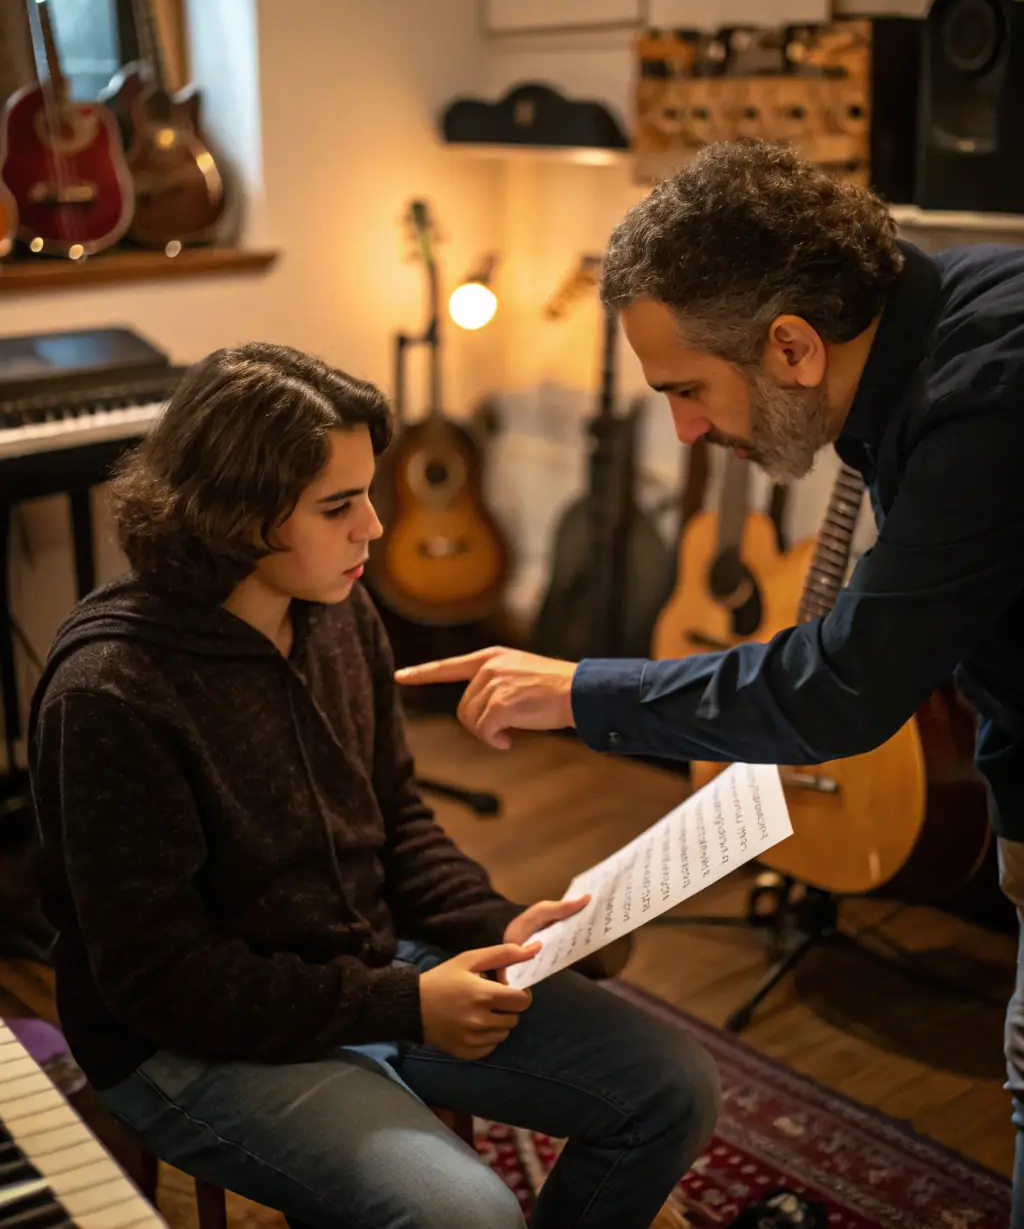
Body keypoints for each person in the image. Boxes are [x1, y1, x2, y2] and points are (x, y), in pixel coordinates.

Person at [394, 141, 1024, 1221]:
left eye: (686, 390)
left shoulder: (988, 395)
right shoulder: (933, 314)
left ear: (790, 344)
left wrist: (581, 691)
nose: (683, 430)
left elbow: (843, 686)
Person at [27, 343, 719, 1229]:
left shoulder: (340, 606)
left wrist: (496, 921)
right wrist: (405, 1004)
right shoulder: (111, 691)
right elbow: (158, 979)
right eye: (339, 504)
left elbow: (394, 815)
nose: (376, 526)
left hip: (361, 967)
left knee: (671, 1084)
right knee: (468, 1214)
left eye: (369, 491)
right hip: (189, 1039)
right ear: (235, 515)